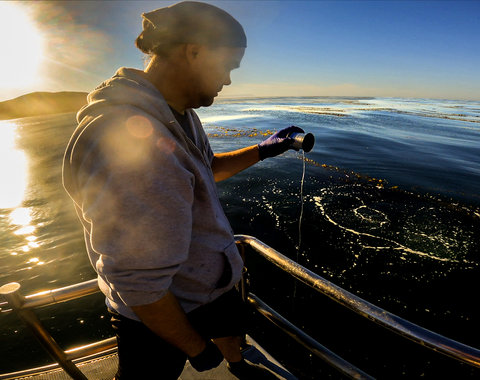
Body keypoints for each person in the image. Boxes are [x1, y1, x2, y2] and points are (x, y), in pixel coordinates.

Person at [62, 1, 303, 379]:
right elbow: (140, 285)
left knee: (230, 334)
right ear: (194, 51)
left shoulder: (180, 113)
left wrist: (263, 150)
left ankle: (238, 364)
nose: (227, 81)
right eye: (228, 66)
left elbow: (206, 170)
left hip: (208, 285)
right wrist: (197, 350)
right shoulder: (131, 142)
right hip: (163, 318)